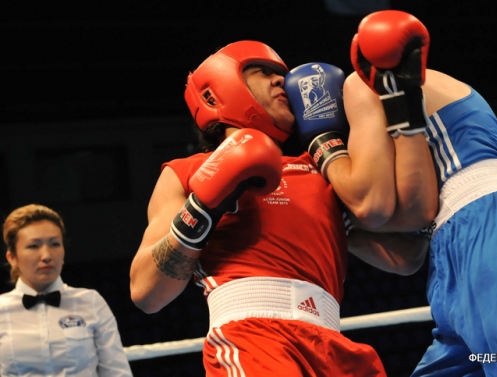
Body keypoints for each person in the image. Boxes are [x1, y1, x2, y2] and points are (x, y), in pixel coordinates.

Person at [317, 10, 497, 377]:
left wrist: (322, 153)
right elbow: (408, 256)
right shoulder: (398, 121)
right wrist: (337, 222)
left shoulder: (364, 85)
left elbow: (380, 207)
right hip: (455, 253)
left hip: (490, 228)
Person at [129, 40, 422, 376]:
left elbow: (407, 256)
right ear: (214, 95)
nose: (282, 80)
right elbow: (146, 293)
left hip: (334, 346)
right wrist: (204, 206)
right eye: (263, 72)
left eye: (281, 74)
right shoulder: (187, 171)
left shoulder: (323, 171)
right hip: (253, 340)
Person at [0, 204, 133, 377]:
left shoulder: (91, 302)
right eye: (34, 246)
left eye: (55, 244)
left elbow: (117, 372)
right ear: (12, 257)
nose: (47, 255)